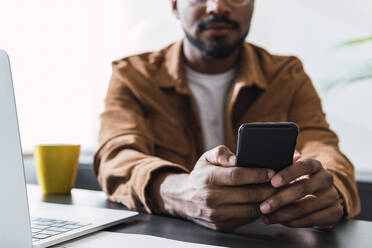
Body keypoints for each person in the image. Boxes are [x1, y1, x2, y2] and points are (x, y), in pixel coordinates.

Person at [94, 0, 360, 231]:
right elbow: (116, 156)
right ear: (175, 5)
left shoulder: (287, 75)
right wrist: (179, 191)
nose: (217, 7)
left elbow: (323, 147)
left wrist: (332, 191)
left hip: (272, 236)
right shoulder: (132, 76)